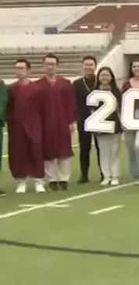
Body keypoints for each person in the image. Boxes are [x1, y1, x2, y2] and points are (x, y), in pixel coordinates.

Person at [39, 53, 77, 191]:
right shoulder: (38, 85)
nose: (50, 67)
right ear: (43, 66)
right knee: (48, 152)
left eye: (53, 64)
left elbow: (71, 103)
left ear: (57, 66)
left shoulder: (65, 83)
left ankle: (64, 178)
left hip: (63, 121)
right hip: (45, 123)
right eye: (47, 64)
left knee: (64, 151)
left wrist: (72, 120)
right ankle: (52, 179)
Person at [7, 59, 45, 193]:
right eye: (17, 68)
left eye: (22, 68)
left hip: (34, 125)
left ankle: (38, 181)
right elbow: (9, 108)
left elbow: (42, 109)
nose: (19, 71)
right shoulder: (11, 89)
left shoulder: (37, 89)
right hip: (16, 127)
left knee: (36, 152)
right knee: (18, 153)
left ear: (28, 70)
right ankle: (20, 181)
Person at [88, 67, 122, 186]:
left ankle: (115, 175)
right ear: (98, 77)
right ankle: (106, 175)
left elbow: (120, 109)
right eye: (102, 75)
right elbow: (92, 110)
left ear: (111, 77)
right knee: (103, 152)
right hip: (100, 126)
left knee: (115, 151)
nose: (104, 78)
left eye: (107, 75)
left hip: (115, 125)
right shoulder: (94, 92)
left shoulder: (116, 91)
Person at [73, 55, 100, 183]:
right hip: (83, 119)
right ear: (83, 66)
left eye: (91, 64)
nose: (88, 67)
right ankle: (84, 174)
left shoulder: (100, 81)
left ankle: (103, 172)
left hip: (100, 119)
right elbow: (74, 102)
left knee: (101, 147)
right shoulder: (77, 83)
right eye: (86, 64)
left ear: (95, 66)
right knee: (84, 148)